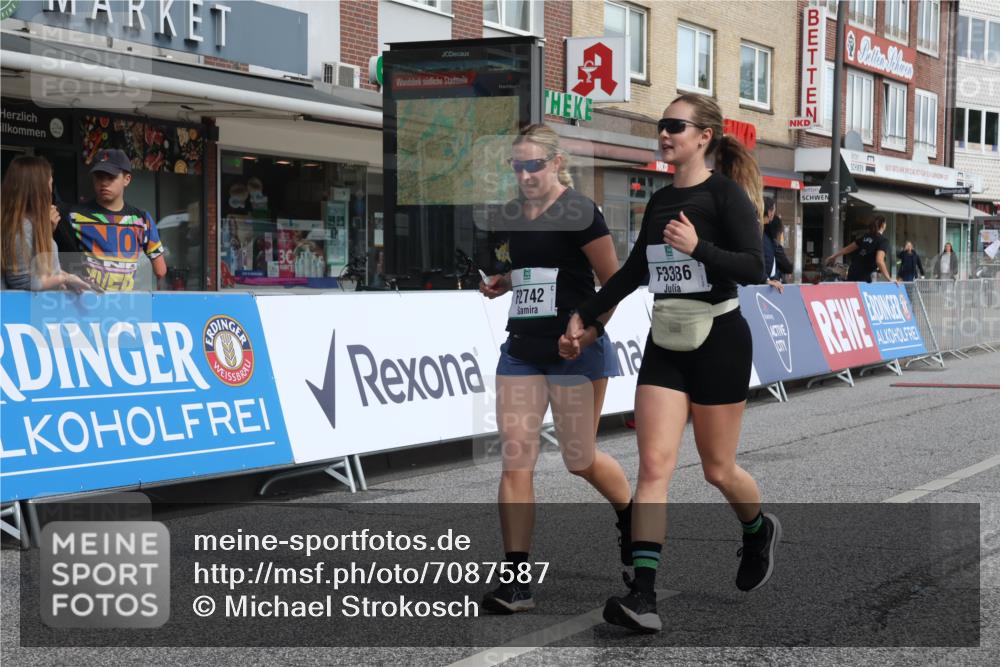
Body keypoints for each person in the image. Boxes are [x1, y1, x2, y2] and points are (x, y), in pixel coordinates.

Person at [562, 93, 780, 634]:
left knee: (717, 470)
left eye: (674, 125)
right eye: (661, 125)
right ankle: (643, 595)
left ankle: (757, 530)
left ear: (704, 136)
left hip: (720, 338)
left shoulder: (726, 196)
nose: (664, 133)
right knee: (654, 469)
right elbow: (635, 269)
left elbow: (756, 267)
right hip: (666, 341)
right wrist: (587, 316)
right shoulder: (660, 202)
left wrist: (697, 247)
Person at [478, 124, 633, 614]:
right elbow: (531, 271)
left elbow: (613, 284)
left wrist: (585, 333)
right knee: (515, 460)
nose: (524, 175)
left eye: (533, 165)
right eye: (517, 166)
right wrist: (504, 282)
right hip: (522, 349)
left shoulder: (579, 211)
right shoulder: (511, 214)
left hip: (574, 351)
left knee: (578, 459)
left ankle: (633, 518)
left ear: (557, 163)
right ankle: (516, 578)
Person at [55, 149, 166, 291]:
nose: (104, 183)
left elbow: (160, 271)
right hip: (85, 302)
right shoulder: (70, 216)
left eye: (111, 177)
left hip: (119, 305)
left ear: (127, 179)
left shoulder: (142, 220)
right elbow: (161, 271)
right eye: (99, 177)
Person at [1, 156, 92, 292]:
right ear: (38, 188)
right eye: (50, 182)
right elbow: (22, 283)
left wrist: (71, 277)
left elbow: (41, 270)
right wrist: (64, 279)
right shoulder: (22, 227)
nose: (51, 189)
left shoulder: (28, 224)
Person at [824, 215, 895, 283]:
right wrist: (889, 278)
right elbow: (879, 261)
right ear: (883, 225)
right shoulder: (883, 240)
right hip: (865, 274)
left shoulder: (865, 237)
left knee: (852, 293)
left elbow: (848, 248)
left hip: (853, 270)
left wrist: (834, 256)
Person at [762, 214, 792, 292]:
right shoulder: (772, 243)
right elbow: (786, 266)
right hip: (767, 284)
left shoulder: (760, 237)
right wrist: (768, 280)